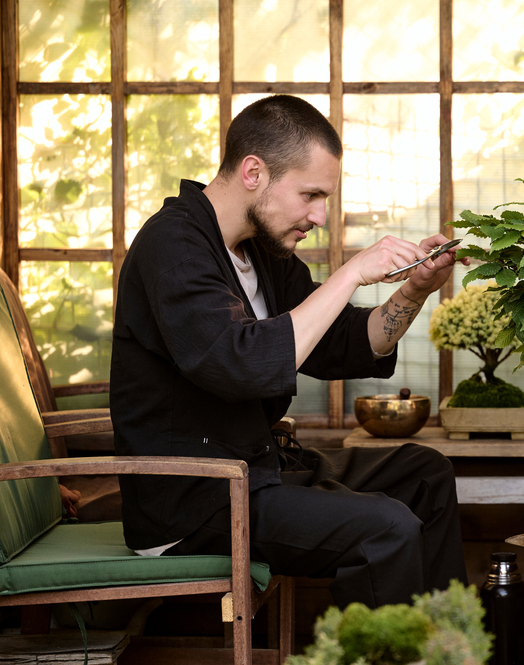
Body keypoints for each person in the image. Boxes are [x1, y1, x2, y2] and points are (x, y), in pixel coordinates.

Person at [110, 94, 468, 609]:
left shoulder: (260, 251)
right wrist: (349, 273)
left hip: (260, 472)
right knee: (384, 529)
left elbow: (342, 342)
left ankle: (445, 648)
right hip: (196, 503)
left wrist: (411, 292)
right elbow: (244, 364)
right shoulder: (173, 247)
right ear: (254, 171)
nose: (319, 216)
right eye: (310, 195)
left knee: (425, 474)